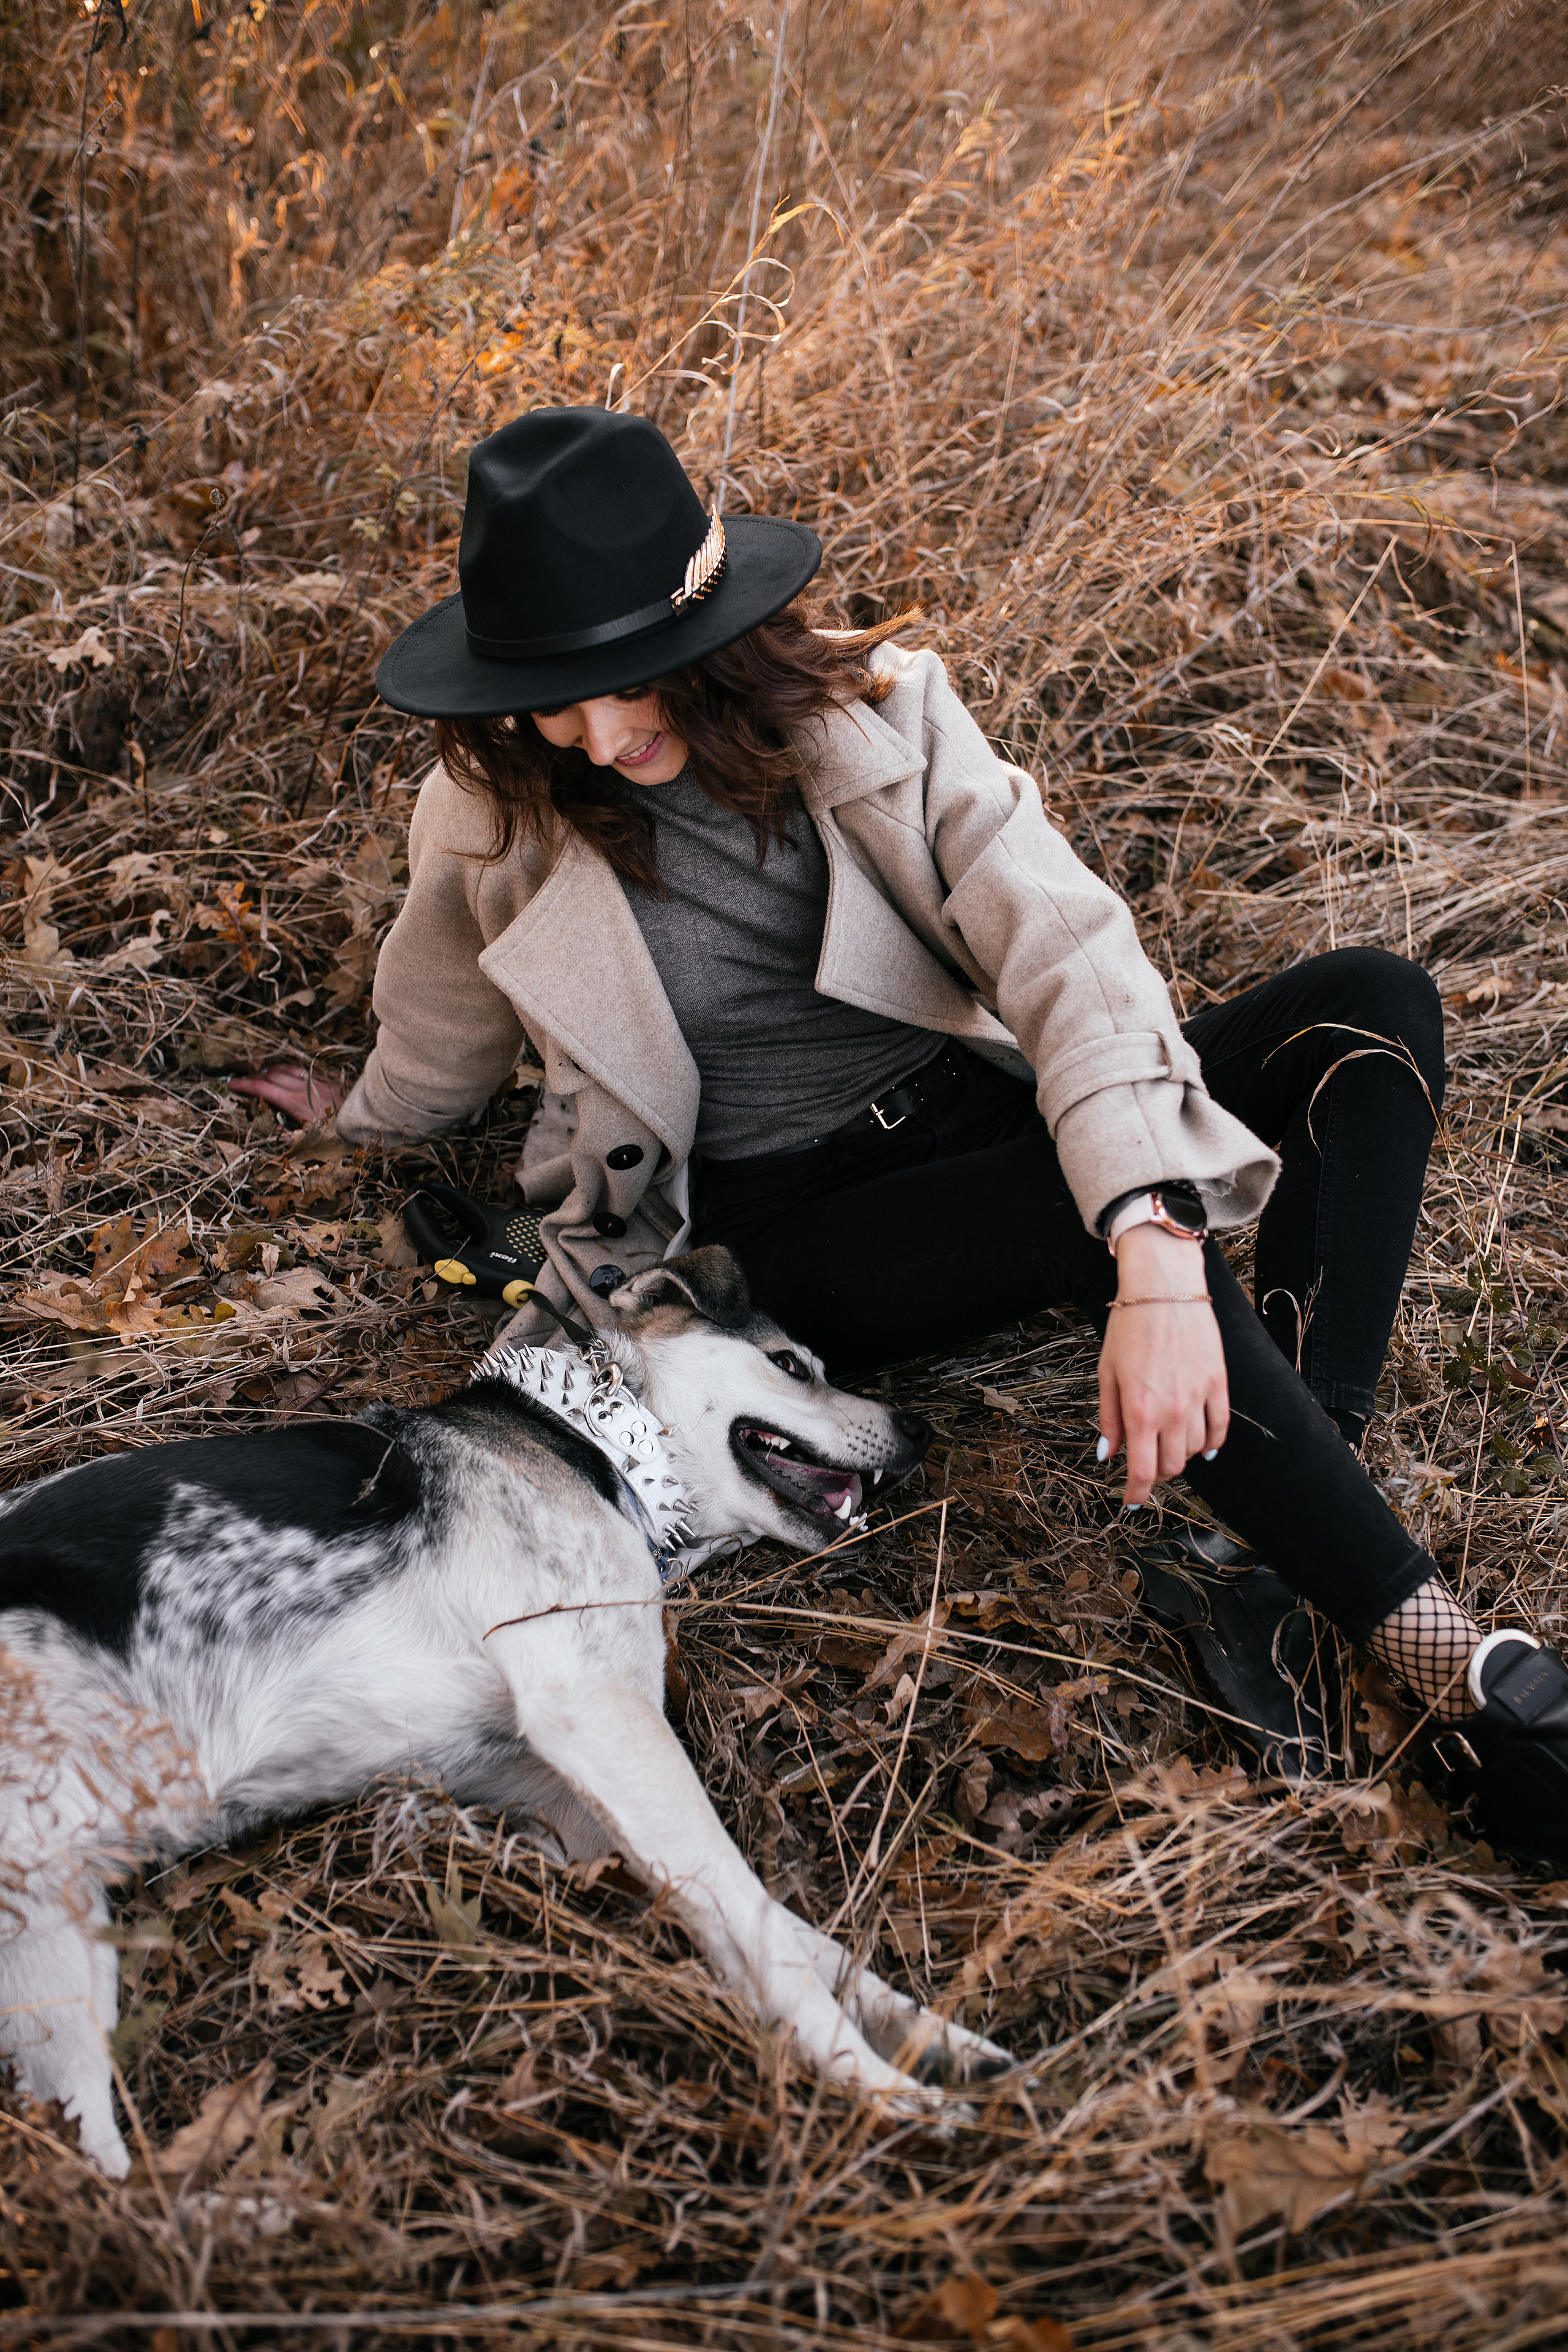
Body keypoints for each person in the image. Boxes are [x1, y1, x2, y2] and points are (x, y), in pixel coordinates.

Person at [235, 406, 1568, 1863]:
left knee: (1365, 1009)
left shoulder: (885, 714)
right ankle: (1451, 1664)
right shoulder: (490, 811)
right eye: (557, 699)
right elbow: (440, 1026)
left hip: (962, 1110)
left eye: (634, 685)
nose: (604, 736)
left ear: (719, 638)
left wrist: (1162, 1260)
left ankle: (1255, 1544)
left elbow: (1065, 955)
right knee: (1093, 1204)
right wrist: (365, 1126)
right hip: (780, 1231)